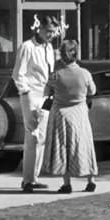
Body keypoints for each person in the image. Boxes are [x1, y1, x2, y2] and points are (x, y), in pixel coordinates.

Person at [42, 40, 98, 193]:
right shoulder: (85, 74)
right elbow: (92, 91)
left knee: (63, 148)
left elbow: (46, 93)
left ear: (61, 55)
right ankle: (90, 180)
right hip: (80, 114)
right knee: (84, 146)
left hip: (61, 114)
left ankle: (66, 184)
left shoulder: (56, 75)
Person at [12, 14, 59, 193]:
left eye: (53, 32)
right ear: (39, 28)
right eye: (48, 31)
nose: (51, 35)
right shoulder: (27, 47)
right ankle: (27, 180)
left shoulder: (49, 48)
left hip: (46, 95)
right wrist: (25, 92)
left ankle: (34, 177)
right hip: (32, 94)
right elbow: (18, 73)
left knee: (42, 138)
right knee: (32, 135)